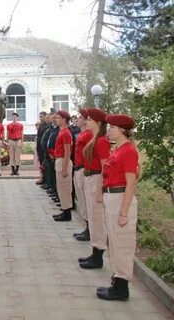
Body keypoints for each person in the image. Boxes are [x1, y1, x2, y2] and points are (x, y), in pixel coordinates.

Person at [96, 114, 138, 301]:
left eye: (112, 127)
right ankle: (118, 281)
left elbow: (131, 183)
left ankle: (121, 288)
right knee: (115, 242)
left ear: (122, 130)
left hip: (121, 198)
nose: (109, 130)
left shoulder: (128, 150)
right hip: (112, 196)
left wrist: (123, 212)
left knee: (122, 244)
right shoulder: (119, 148)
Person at [79, 108, 110, 269]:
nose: (87, 121)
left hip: (97, 179)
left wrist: (100, 190)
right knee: (93, 216)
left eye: (90, 120)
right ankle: (94, 252)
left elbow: (105, 167)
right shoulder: (95, 139)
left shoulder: (102, 141)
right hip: (91, 177)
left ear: (98, 123)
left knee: (97, 218)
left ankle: (98, 256)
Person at [72, 109, 92, 242]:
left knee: (86, 201)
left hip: (83, 169)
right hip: (78, 168)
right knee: (82, 201)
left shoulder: (88, 135)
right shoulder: (82, 134)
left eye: (80, 118)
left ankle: (89, 230)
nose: (77, 120)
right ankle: (87, 227)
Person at [52, 110, 73, 222]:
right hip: (59, 160)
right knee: (61, 188)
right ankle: (64, 210)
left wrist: (65, 169)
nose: (56, 119)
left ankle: (67, 212)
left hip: (63, 161)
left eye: (59, 118)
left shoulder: (65, 133)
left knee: (65, 188)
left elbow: (67, 152)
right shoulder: (62, 131)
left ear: (64, 120)